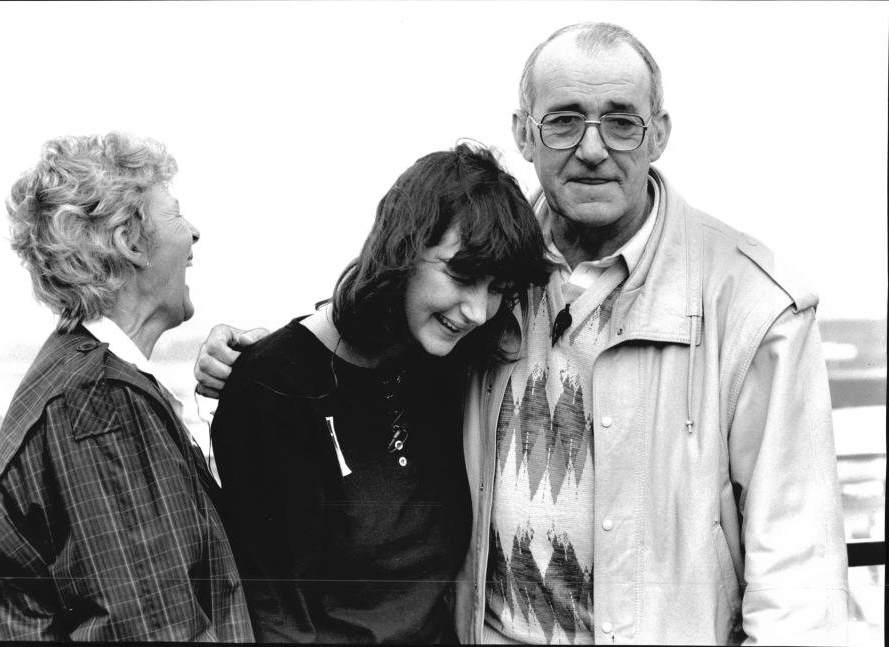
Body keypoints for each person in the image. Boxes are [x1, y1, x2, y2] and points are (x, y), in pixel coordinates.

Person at [195, 22, 848, 645]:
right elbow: (399, 301)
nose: (592, 148)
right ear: (524, 133)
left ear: (659, 134)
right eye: (564, 120)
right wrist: (268, 356)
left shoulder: (755, 304)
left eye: (621, 121)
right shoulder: (498, 276)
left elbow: (796, 567)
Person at [209, 143, 550, 643]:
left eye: (496, 287)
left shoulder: (444, 363)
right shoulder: (273, 390)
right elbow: (276, 616)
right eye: (461, 275)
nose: (478, 310)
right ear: (402, 249)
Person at [0, 133, 253, 641]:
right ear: (131, 242)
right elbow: (151, 630)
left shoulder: (90, 382)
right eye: (176, 215)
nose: (194, 234)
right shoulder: (99, 404)